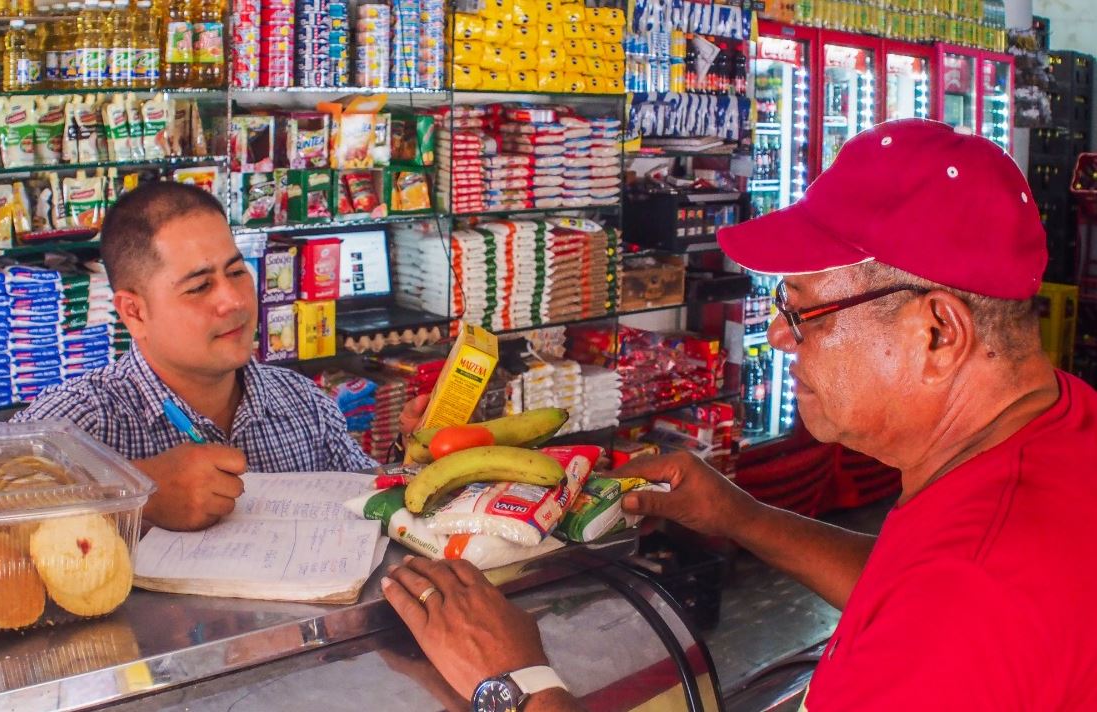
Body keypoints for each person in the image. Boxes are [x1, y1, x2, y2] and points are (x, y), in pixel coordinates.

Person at [381, 119, 1097, 711]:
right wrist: (741, 517)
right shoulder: (1054, 428)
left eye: (803, 311)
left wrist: (514, 681)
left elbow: (946, 603)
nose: (779, 336)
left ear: (935, 333)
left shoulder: (971, 599)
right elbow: (902, 585)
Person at [14, 182, 426, 532]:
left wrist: (413, 451)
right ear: (134, 312)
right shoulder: (74, 424)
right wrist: (136, 495)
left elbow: (365, 500)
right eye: (198, 287)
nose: (233, 300)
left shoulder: (305, 404)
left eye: (236, 272)